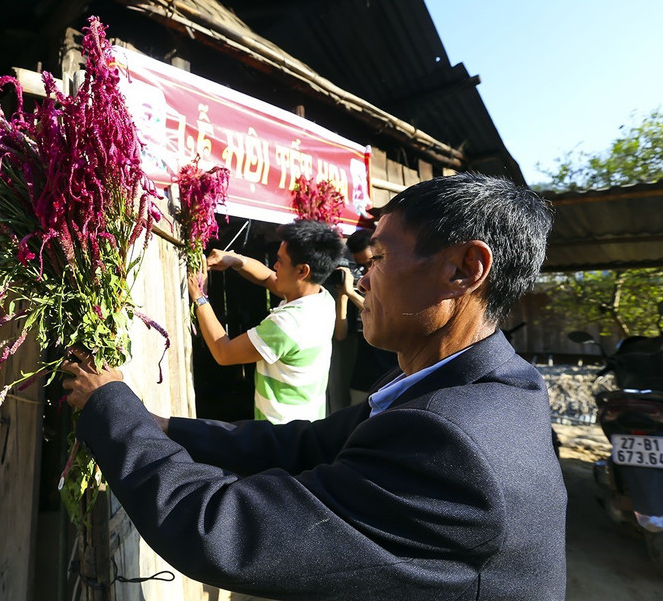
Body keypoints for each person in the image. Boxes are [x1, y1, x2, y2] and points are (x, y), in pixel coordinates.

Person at [62, 172, 565, 600]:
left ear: (463, 270)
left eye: (377, 259)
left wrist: (111, 407)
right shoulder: (473, 383)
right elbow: (306, 443)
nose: (361, 281)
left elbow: (221, 529)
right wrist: (162, 426)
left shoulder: (448, 440)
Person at [188, 219, 344, 423]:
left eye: (280, 261)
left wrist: (199, 296)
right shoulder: (322, 300)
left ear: (302, 271)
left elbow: (224, 353)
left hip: (280, 432)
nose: (275, 266)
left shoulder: (288, 324)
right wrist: (235, 260)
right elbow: (268, 278)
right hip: (307, 423)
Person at [332, 228, 399, 409]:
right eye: (362, 266)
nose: (368, 271)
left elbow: (387, 316)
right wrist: (343, 297)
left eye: (372, 262)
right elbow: (340, 335)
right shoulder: (359, 288)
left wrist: (351, 294)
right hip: (362, 379)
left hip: (390, 377)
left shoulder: (395, 285)